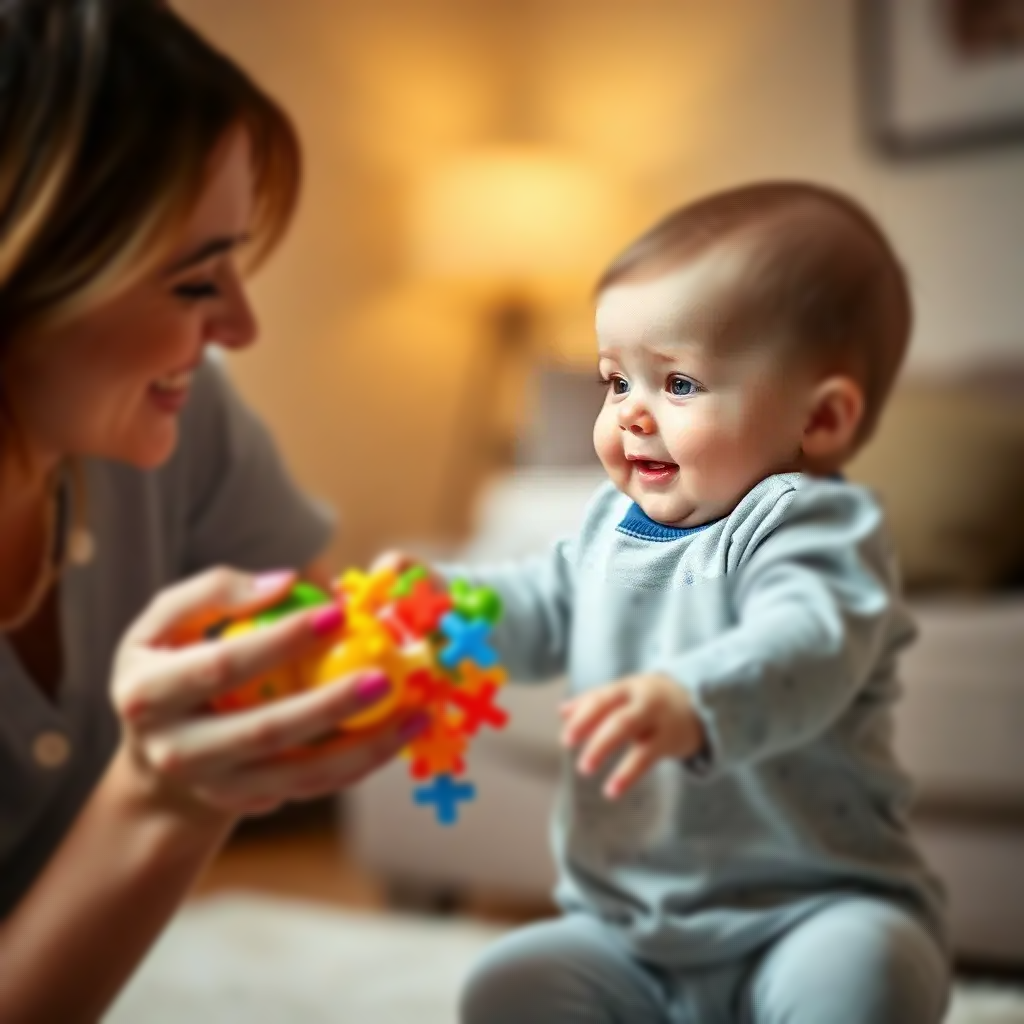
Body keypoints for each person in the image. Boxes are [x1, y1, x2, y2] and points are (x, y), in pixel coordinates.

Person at [389, 182, 951, 1023]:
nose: (631, 416)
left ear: (821, 421)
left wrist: (694, 698)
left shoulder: (810, 525)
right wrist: (441, 606)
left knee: (862, 976)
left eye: (679, 384)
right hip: (635, 933)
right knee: (509, 987)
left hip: (810, 911)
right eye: (617, 381)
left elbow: (808, 640)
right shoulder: (607, 530)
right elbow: (535, 605)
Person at [0, 3, 426, 1020]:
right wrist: (157, 803)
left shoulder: (180, 425)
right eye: (195, 280)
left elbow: (328, 635)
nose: (242, 324)